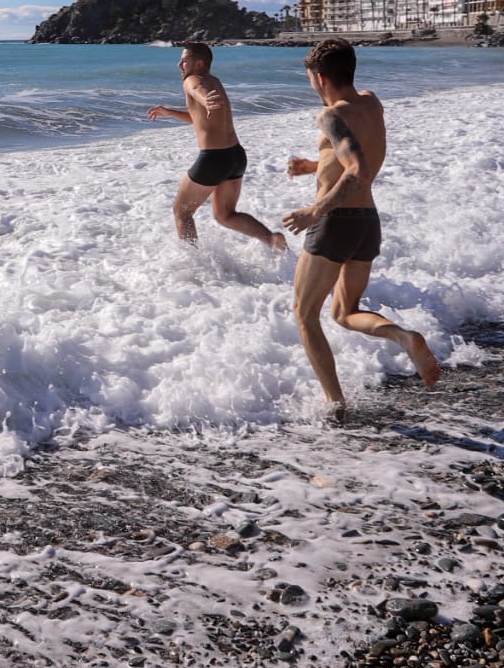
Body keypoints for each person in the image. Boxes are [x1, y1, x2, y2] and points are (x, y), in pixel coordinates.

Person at [280, 38, 441, 417]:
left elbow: (356, 170)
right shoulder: (371, 101)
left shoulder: (330, 116)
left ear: (320, 78)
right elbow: (354, 157)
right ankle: (403, 336)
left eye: (309, 80)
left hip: (335, 223)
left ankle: (335, 404)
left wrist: (313, 211)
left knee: (305, 315)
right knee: (344, 311)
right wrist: (312, 166)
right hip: (367, 221)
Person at [145, 42, 288, 251]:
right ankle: (273, 239)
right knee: (225, 215)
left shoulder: (191, 80)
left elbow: (196, 90)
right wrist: (169, 112)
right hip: (236, 156)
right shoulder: (215, 82)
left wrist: (204, 99)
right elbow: (199, 118)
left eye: (185, 60)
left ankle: (194, 262)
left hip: (213, 159)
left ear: (199, 63)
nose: (179, 65)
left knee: (182, 212)